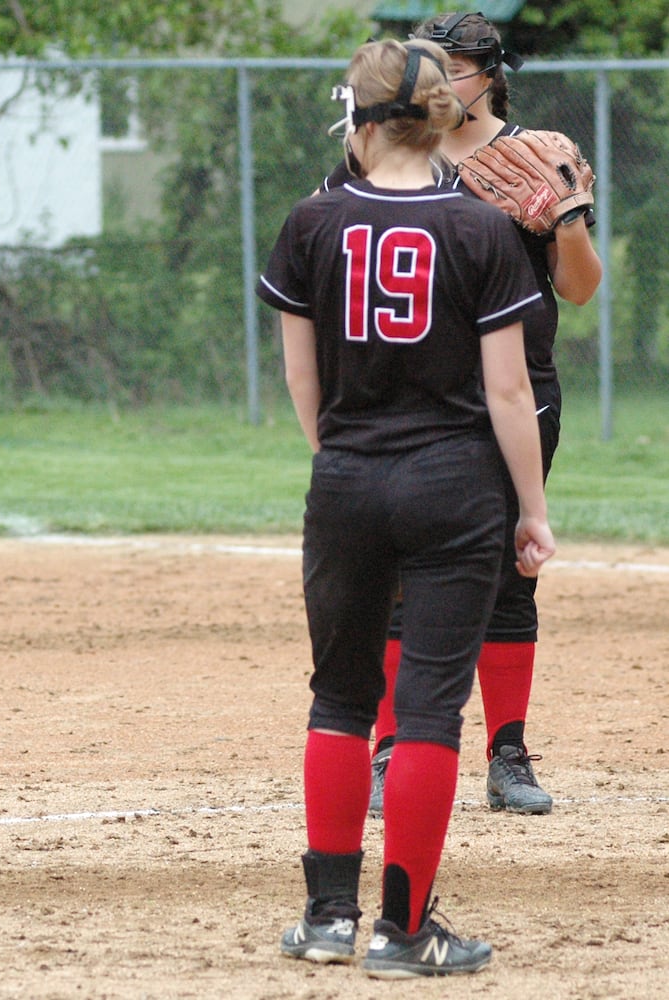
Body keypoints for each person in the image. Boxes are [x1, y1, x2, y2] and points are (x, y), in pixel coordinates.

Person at [257, 38, 555, 976]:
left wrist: (341, 458)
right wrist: (531, 509)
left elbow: (300, 377)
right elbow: (510, 395)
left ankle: (323, 920)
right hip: (453, 487)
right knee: (427, 712)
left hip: (345, 480)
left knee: (339, 699)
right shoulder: (479, 230)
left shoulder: (310, 221)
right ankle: (403, 932)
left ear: (358, 119)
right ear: (439, 118)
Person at [359, 11, 603, 818]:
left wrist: (563, 219)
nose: (439, 80)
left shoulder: (538, 152)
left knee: (508, 572)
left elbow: (579, 287)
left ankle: (506, 755)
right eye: (430, 65)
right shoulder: (395, 152)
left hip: (520, 388)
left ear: (489, 75)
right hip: (415, 389)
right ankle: (391, 750)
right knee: (398, 574)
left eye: (454, 68)